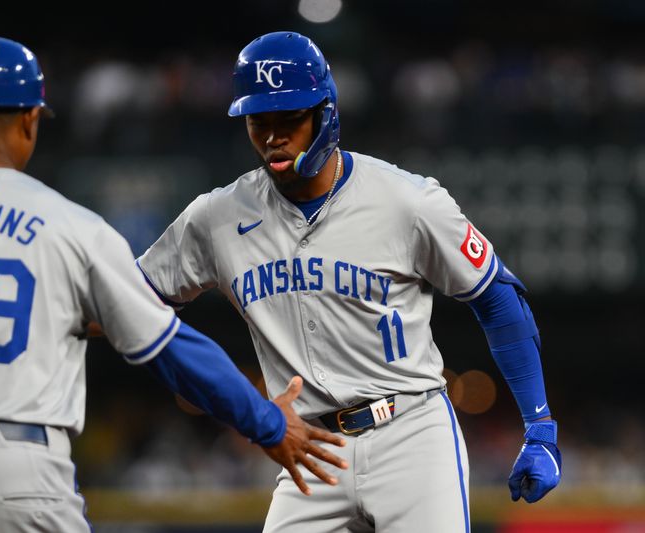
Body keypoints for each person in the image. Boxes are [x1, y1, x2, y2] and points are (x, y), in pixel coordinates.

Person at [0, 36, 348, 533]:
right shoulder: (73, 227)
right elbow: (171, 348)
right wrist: (267, 423)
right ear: (30, 121)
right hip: (22, 465)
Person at [137, 31, 562, 532]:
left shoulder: (407, 201)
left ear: (327, 113)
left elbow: (496, 297)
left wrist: (540, 427)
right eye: (259, 121)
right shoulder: (216, 217)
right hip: (311, 449)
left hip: (410, 433)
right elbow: (129, 303)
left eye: (290, 118)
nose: (274, 136)